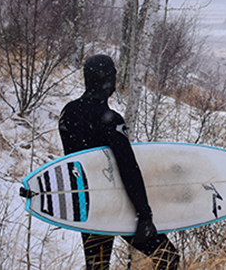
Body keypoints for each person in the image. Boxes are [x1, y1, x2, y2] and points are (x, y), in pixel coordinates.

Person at [58, 54, 179, 270]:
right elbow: (128, 168)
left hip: (88, 208)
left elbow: (74, 162)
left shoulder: (67, 113)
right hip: (115, 205)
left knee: (97, 267)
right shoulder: (111, 120)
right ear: (108, 80)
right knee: (168, 257)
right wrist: (144, 215)